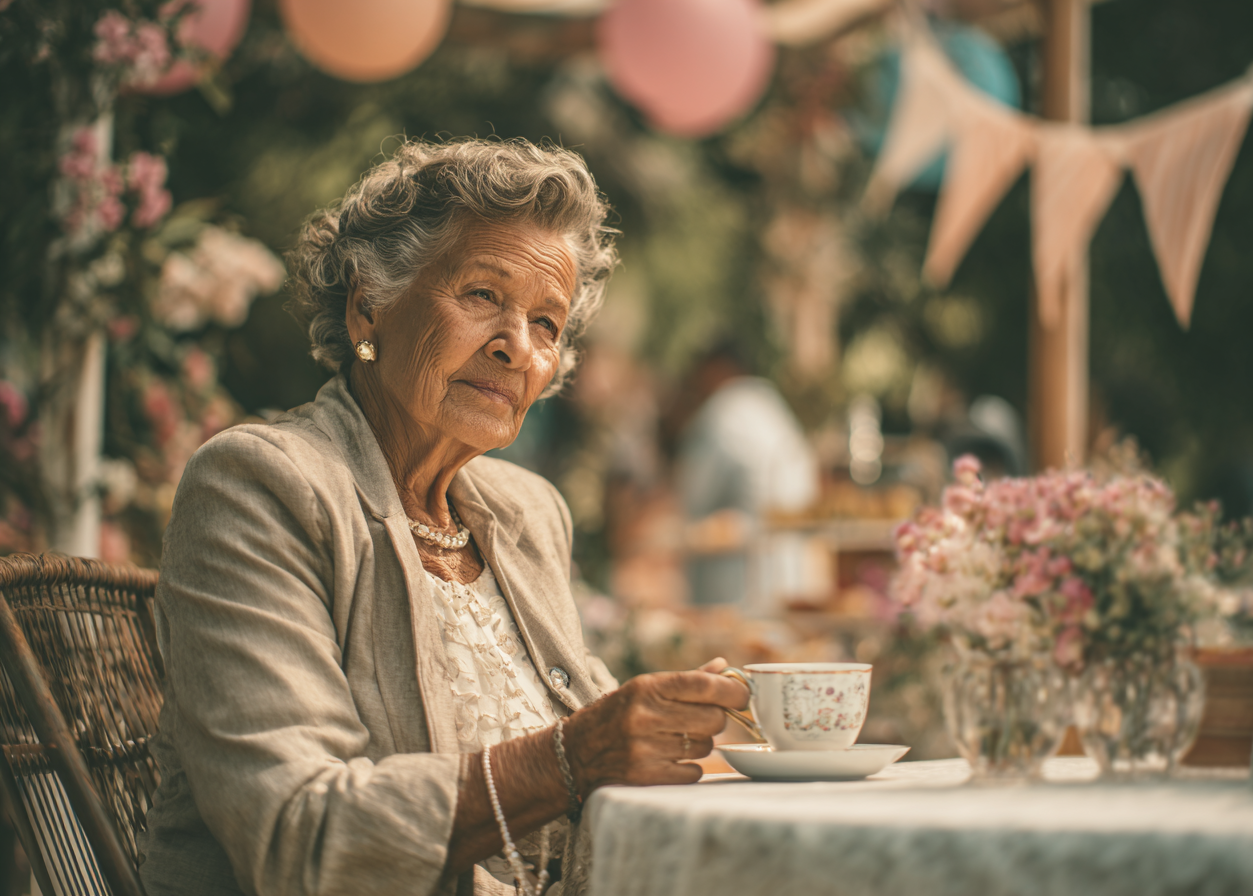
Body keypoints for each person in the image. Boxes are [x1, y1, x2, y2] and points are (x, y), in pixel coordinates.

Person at [138, 138, 749, 896]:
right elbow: (303, 834)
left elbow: (600, 762)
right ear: (370, 305)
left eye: (547, 324)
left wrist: (687, 736)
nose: (516, 348)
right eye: (483, 296)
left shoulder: (528, 513)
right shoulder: (261, 487)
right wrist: (571, 759)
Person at [676, 342, 818, 609]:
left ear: (718, 369)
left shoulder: (721, 412)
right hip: (792, 574)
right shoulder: (773, 408)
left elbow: (692, 496)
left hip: (736, 585)